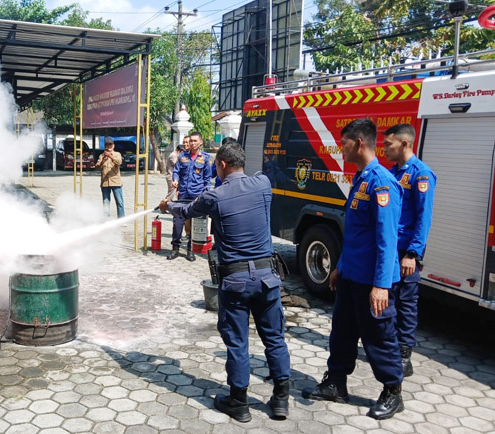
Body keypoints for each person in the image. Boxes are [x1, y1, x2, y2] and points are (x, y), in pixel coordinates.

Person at [159, 142, 290, 422]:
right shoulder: (263, 184)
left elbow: (188, 209)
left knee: (238, 342)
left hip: (236, 283)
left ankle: (239, 403)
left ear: (221, 165)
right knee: (275, 339)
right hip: (268, 280)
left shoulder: (215, 196)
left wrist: (168, 205)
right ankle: (280, 400)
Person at [302, 118, 404, 420]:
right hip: (350, 277)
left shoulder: (381, 182)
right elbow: (355, 234)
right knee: (342, 333)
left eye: (344, 142)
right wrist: (340, 267)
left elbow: (387, 240)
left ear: (359, 142)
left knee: (379, 338)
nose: (340, 148)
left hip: (372, 282)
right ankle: (336, 383)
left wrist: (381, 285)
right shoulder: (360, 178)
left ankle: (392, 391)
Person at [384, 123, 436, 377]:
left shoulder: (421, 174)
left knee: (406, 302)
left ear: (404, 144)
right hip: (390, 250)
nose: (384, 149)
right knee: (390, 299)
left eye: (388, 144)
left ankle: (404, 355)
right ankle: (390, 346)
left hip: (406, 252)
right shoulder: (393, 172)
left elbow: (423, 218)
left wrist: (412, 254)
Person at [169, 131, 211, 261]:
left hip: (196, 196)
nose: (192, 143)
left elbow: (207, 179)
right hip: (182, 194)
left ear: (200, 142)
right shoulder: (182, 156)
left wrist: (204, 195)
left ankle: (190, 250)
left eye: (195, 141)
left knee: (193, 223)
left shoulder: (205, 158)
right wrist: (175, 180)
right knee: (178, 221)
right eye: (190, 140)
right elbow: (176, 172)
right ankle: (175, 248)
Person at [95, 137, 124, 218]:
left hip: (116, 182)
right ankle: (106, 219)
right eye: (107, 145)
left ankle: (121, 219)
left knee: (119, 202)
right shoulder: (101, 155)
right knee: (106, 202)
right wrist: (103, 161)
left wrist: (110, 157)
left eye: (110, 145)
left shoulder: (117, 154)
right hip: (105, 182)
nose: (108, 147)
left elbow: (119, 162)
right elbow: (96, 166)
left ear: (113, 146)